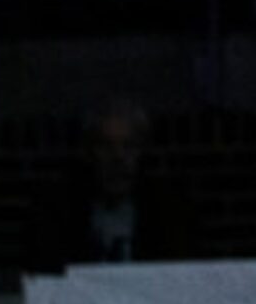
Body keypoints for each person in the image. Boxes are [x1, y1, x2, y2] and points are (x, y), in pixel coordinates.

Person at [19, 98, 198, 270]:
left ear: (141, 152)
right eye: (106, 146)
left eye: (128, 146)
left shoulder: (167, 211)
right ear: (90, 152)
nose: (118, 158)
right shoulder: (61, 211)